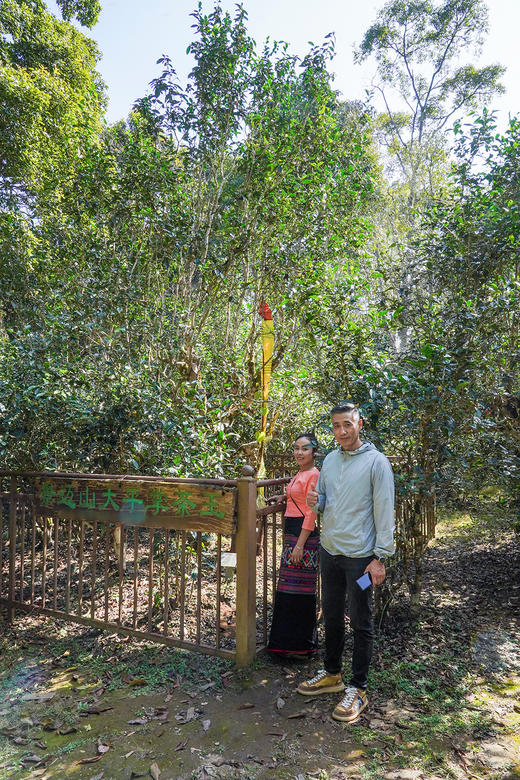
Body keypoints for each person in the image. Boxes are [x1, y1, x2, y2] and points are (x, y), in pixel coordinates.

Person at [297, 403, 395, 723]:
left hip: (361, 561)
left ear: (359, 424)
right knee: (334, 615)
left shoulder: (376, 463)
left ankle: (358, 688)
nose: (342, 431)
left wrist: (379, 559)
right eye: (337, 426)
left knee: (361, 618)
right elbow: (325, 501)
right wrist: (317, 501)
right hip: (331, 554)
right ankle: (332, 674)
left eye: (347, 424)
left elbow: (384, 511)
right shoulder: (330, 461)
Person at [267, 432, 321, 658]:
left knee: (301, 591)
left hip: (303, 536)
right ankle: (284, 645)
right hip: (292, 533)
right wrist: (283, 497)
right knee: (287, 588)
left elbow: (311, 511)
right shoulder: (301, 473)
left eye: (305, 449)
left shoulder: (314, 475)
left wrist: (300, 545)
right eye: (297, 448)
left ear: (314, 452)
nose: (299, 452)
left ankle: (301, 646)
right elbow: (297, 498)